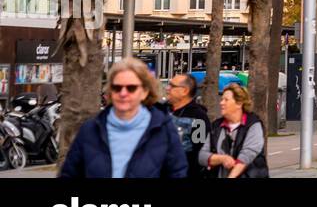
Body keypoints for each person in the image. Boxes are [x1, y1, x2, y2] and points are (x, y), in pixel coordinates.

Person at [60, 57, 188, 179]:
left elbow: (177, 173)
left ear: (144, 92)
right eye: (117, 88)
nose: (123, 93)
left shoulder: (163, 129)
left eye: (131, 88)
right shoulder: (90, 129)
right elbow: (69, 173)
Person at [199, 82, 269, 178]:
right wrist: (222, 159)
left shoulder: (253, 124)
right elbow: (202, 156)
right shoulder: (216, 126)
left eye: (226, 100)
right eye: (221, 99)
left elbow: (247, 155)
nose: (221, 102)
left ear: (239, 103)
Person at [163, 72, 210, 178]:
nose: (167, 88)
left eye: (172, 85)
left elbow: (199, 152)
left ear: (185, 91)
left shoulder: (199, 117)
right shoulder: (162, 110)